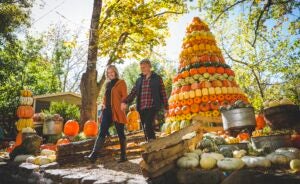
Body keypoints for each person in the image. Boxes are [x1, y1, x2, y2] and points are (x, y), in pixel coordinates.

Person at [85, 65, 128, 163]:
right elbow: (105, 98)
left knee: (120, 132)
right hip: (107, 111)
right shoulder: (107, 84)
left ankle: (123, 156)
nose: (110, 74)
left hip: (117, 110)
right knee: (102, 131)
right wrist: (103, 107)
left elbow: (125, 96)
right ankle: (93, 156)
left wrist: (124, 103)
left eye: (112, 72)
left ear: (115, 72)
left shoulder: (121, 83)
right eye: (108, 73)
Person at [121, 59, 168, 141]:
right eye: (141, 67)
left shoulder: (157, 78)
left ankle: (152, 143)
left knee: (148, 124)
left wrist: (166, 107)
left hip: (152, 106)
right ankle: (150, 145)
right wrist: (125, 101)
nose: (143, 69)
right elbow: (133, 93)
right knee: (145, 128)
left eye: (144, 67)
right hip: (141, 108)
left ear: (150, 67)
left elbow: (163, 93)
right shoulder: (139, 80)